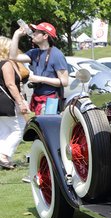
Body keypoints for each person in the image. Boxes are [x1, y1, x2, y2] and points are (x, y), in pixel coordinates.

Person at [10, 21, 67, 115]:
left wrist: (39, 79)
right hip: (37, 97)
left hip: (51, 101)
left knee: (46, 128)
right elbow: (13, 57)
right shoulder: (34, 52)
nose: (34, 33)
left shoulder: (57, 55)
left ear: (45, 36)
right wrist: (16, 35)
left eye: (37, 31)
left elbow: (64, 82)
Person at [0, 36, 29, 169]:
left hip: (2, 101)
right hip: (7, 101)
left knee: (5, 130)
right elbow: (11, 85)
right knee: (19, 129)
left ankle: (4, 157)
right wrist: (21, 102)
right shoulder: (6, 64)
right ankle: (4, 155)